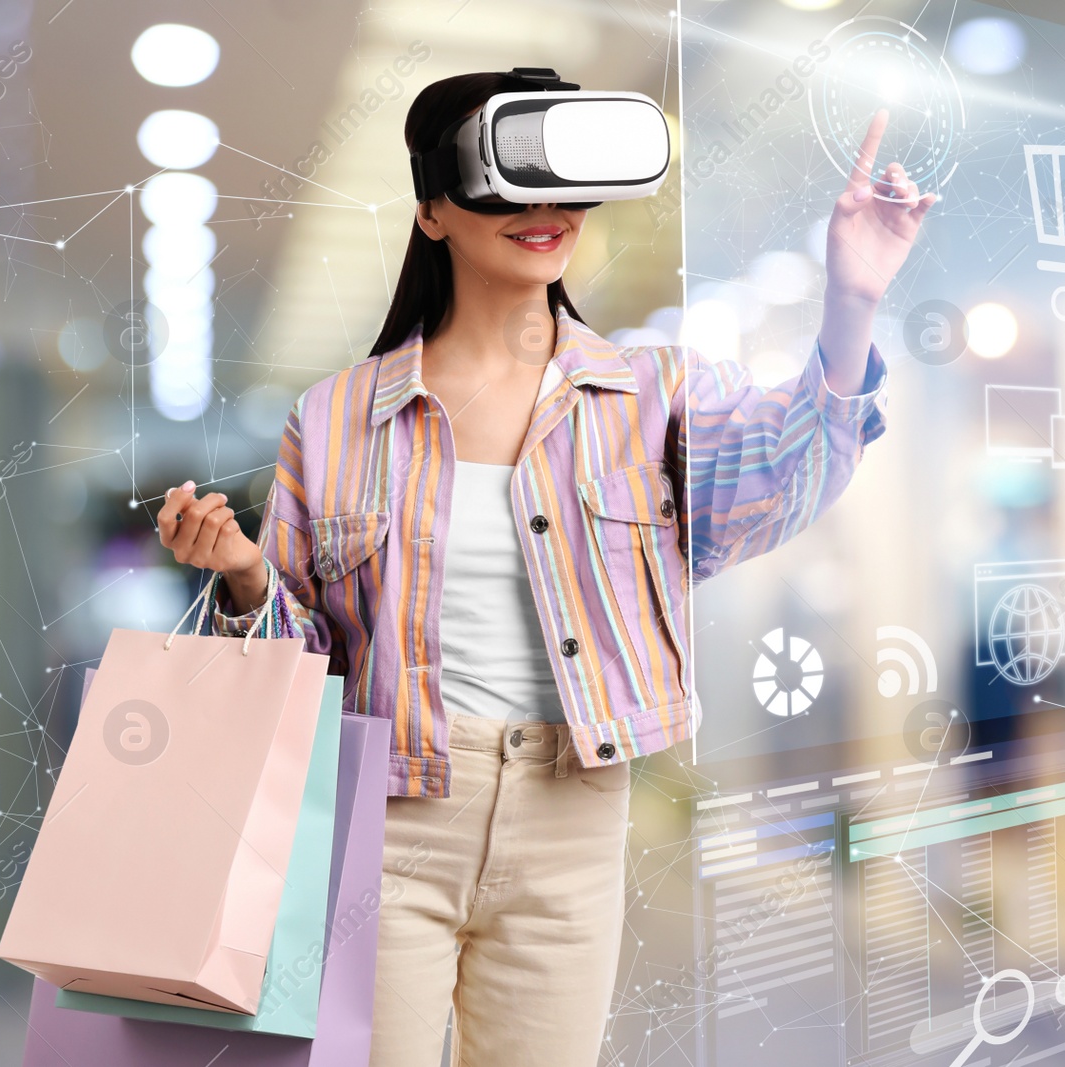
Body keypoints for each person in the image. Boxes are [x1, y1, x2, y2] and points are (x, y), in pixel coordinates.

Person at [156, 71, 934, 1067]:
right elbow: (306, 657)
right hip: (387, 821)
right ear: (433, 209)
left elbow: (790, 473)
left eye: (565, 187)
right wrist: (245, 579)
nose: (547, 213)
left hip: (572, 812)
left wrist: (852, 299)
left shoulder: (651, 393)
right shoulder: (336, 416)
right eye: (512, 184)